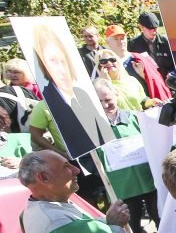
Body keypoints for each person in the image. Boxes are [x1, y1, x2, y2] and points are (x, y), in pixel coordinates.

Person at [33, 23, 116, 159]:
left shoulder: (83, 92)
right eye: (53, 61)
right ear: (44, 64)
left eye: (62, 60)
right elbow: (35, 134)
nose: (60, 67)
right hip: (74, 160)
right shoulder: (46, 103)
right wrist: (60, 154)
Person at [92, 81, 159, 233]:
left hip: (149, 181)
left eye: (108, 99)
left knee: (161, 219)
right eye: (100, 101)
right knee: (132, 230)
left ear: (116, 95)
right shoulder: (93, 128)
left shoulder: (135, 117)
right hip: (123, 188)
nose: (105, 105)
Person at [127, 11, 174, 76]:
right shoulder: (133, 45)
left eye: (155, 28)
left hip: (168, 81)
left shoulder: (166, 42)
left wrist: (171, 73)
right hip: (148, 81)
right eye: (150, 29)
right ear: (141, 27)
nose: (154, 32)